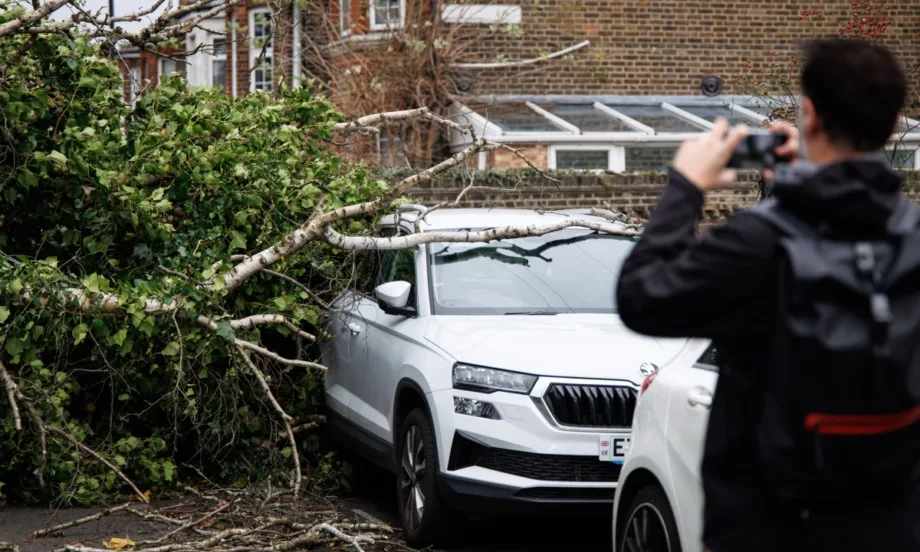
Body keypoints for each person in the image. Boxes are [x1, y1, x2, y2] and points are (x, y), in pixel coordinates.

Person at [616, 38, 919, 552]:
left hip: (771, 524)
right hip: (892, 523)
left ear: (809, 115)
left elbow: (641, 295)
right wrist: (798, 179)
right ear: (894, 126)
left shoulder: (757, 244)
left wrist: (687, 186)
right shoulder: (912, 235)